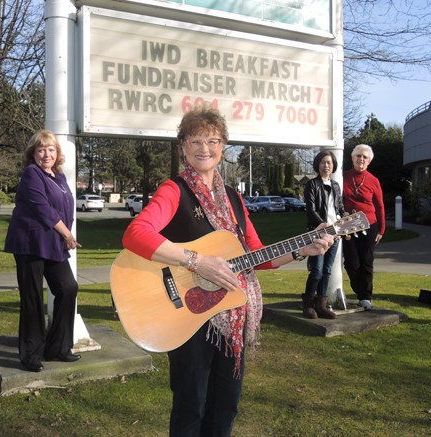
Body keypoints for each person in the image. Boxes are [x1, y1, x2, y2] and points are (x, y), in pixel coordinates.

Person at [121, 106, 335, 436]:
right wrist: (197, 261)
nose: (204, 148)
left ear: (223, 147)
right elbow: (135, 234)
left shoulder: (234, 199)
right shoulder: (174, 190)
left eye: (212, 140)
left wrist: (300, 249)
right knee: (191, 406)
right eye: (195, 140)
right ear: (182, 146)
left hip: (230, 315)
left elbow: (255, 256)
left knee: (226, 407)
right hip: (187, 318)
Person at [4, 129, 82, 373]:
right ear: (33, 153)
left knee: (68, 288)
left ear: (57, 153)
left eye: (50, 149)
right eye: (41, 150)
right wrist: (68, 235)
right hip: (30, 244)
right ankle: (31, 355)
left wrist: (64, 236)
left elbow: (65, 208)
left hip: (52, 244)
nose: (46, 154)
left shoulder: (58, 177)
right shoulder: (32, 174)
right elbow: (44, 210)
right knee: (33, 299)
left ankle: (57, 348)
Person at [342, 144, 385, 310]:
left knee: (366, 261)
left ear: (369, 161)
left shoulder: (373, 180)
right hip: (348, 224)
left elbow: (380, 206)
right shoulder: (343, 176)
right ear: (352, 158)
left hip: (369, 224)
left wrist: (381, 229)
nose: (361, 159)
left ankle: (365, 296)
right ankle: (360, 290)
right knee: (351, 263)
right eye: (358, 155)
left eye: (365, 157)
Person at [302, 151, 344, 319]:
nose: (326, 165)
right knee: (317, 270)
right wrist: (325, 228)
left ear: (333, 166)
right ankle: (308, 305)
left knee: (327, 270)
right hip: (319, 233)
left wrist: (343, 226)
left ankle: (321, 305)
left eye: (329, 162)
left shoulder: (335, 186)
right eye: (323, 162)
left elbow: (340, 209)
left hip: (335, 234)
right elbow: (310, 210)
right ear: (318, 165)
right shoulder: (312, 185)